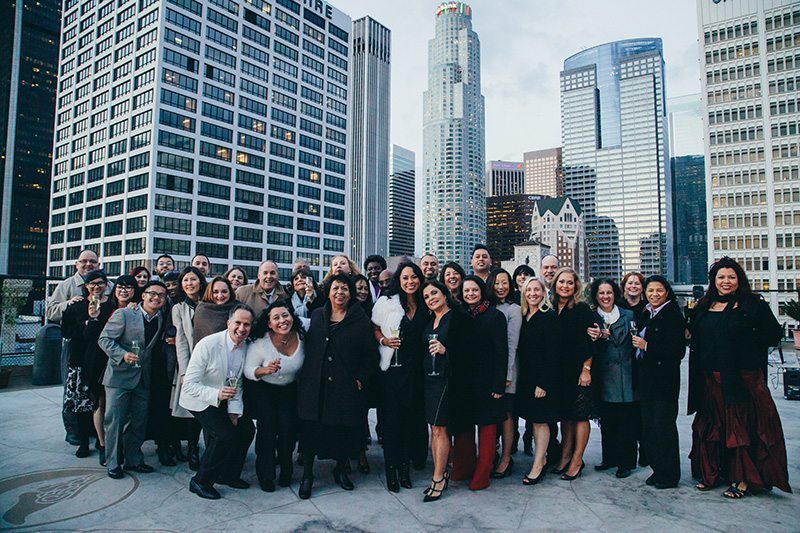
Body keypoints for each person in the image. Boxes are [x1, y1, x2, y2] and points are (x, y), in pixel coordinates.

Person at [688, 257, 791, 498]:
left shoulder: (752, 304)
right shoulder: (705, 305)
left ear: (739, 280)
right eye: (721, 277)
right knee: (713, 427)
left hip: (742, 379)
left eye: (731, 277)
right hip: (709, 378)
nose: (726, 282)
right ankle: (713, 473)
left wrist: (747, 350)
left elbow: (772, 334)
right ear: (714, 281)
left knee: (740, 429)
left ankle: (742, 479)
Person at [296, 274, 378, 499]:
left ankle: (340, 469)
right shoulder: (318, 315)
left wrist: (361, 377)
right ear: (328, 291)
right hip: (316, 384)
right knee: (312, 431)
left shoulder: (360, 319)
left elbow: (370, 355)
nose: (339, 292)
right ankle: (308, 475)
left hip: (345, 385)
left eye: (344, 288)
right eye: (335, 288)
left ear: (351, 293)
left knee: (343, 431)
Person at [180, 304, 257, 499]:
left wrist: (234, 411)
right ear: (228, 323)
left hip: (227, 397)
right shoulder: (208, 344)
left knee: (247, 429)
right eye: (237, 323)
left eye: (246, 325)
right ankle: (200, 481)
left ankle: (228, 475)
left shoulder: (246, 346)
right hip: (200, 398)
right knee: (224, 435)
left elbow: (237, 383)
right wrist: (216, 394)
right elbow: (188, 385)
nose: (242, 329)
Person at [98, 281, 167, 479]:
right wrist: (122, 354)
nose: (156, 298)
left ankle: (134, 460)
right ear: (143, 295)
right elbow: (104, 339)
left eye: (161, 295)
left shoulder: (162, 317)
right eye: (152, 293)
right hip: (119, 376)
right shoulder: (126, 314)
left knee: (138, 423)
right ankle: (113, 463)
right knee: (115, 422)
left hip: (143, 378)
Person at [372, 262, 428, 492]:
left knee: (411, 423)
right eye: (405, 278)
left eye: (414, 277)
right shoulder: (387, 301)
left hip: (418, 372)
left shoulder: (426, 301)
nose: (410, 282)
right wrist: (384, 341)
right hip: (393, 371)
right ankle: (391, 472)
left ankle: (405, 469)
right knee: (392, 424)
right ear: (399, 280)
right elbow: (374, 327)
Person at [450, 276, 508, 491]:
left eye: (475, 290)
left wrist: (498, 385)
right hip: (464, 381)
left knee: (487, 428)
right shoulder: (459, 315)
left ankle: (482, 475)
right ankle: (464, 467)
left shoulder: (495, 316)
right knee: (463, 427)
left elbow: (502, 352)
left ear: (482, 291)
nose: (471, 294)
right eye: (467, 291)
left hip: (487, 381)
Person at [47, 249, 109, 446]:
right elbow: (50, 311)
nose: (88, 264)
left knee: (95, 390)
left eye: (92, 261)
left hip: (99, 346)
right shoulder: (67, 285)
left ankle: (93, 430)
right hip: (76, 344)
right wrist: (68, 304)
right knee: (72, 389)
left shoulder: (107, 285)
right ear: (76, 264)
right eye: (84, 261)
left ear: (98, 264)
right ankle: (73, 431)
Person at [632, 275, 686, 489]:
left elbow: (677, 351)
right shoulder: (649, 313)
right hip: (647, 381)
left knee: (664, 428)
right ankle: (658, 469)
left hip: (664, 383)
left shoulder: (672, 316)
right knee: (650, 428)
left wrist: (647, 346)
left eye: (659, 290)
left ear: (667, 292)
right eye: (650, 291)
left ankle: (669, 474)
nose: (654, 294)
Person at [245, 301, 305, 492]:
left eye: (285, 315)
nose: (282, 321)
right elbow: (248, 371)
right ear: (269, 323)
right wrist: (265, 370)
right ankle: (266, 475)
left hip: (290, 389)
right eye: (276, 318)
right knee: (267, 432)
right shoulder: (260, 342)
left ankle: (286, 472)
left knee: (288, 431)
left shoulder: (302, 336)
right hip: (265, 390)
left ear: (292, 317)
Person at [587, 279, 639, 479]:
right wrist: (597, 338)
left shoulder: (628, 315)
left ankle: (626, 462)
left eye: (609, 293)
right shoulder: (592, 317)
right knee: (607, 420)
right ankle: (609, 458)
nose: (605, 297)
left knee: (627, 421)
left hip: (626, 374)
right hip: (604, 375)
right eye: (601, 293)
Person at [61, 270, 115, 459]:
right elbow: (66, 332)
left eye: (101, 283)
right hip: (78, 361)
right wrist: (85, 323)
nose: (97, 286)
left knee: (99, 402)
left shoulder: (110, 307)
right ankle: (83, 442)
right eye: (93, 283)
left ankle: (102, 441)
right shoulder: (75, 306)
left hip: (100, 361)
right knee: (80, 404)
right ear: (86, 286)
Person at [550, 267, 595, 481]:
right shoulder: (550, 307)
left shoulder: (582, 309)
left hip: (579, 370)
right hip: (559, 371)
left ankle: (577, 459)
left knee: (580, 415)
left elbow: (590, 341)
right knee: (565, 416)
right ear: (555, 284)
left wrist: (586, 369)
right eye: (561, 282)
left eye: (569, 282)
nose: (565, 286)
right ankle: (565, 455)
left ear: (576, 285)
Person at [515, 277, 560, 485]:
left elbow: (553, 354)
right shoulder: (524, 316)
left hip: (541, 379)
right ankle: (541, 458)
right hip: (526, 377)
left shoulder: (548, 317)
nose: (532, 293)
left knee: (541, 421)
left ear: (543, 293)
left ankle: (539, 463)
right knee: (534, 419)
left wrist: (544, 383)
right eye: (528, 290)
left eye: (536, 290)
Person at [420, 280, 456, 502]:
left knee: (440, 429)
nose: (431, 298)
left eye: (434, 293)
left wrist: (446, 350)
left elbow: (470, 351)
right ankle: (442, 472)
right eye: (426, 296)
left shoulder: (456, 317)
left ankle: (438, 477)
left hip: (447, 380)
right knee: (434, 429)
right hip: (429, 379)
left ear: (444, 294)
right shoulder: (431, 319)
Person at [170, 267, 208, 471]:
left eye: (193, 279)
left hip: (211, 364)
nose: (189, 283)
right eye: (185, 280)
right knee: (191, 410)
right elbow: (181, 340)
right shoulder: (179, 309)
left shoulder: (210, 303)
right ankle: (193, 449)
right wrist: (185, 371)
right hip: (191, 364)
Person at [486, 269, 522, 479]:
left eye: (505, 282)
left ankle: (506, 458)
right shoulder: (486, 307)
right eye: (497, 282)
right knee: (493, 414)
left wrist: (506, 374)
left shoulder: (514, 309)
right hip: (489, 371)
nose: (501, 286)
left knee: (507, 415)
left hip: (508, 370)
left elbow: (512, 344)